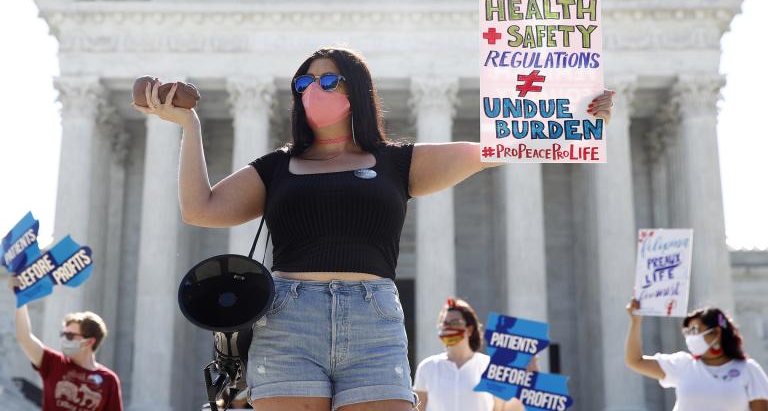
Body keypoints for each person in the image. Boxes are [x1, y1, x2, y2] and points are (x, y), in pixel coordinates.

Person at [131, 46, 614, 411]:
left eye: (328, 80)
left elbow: (495, 148)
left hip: (373, 321)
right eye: (303, 84)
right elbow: (201, 209)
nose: (313, 91)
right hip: (289, 319)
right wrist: (188, 125)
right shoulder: (277, 166)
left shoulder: (398, 162)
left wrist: (577, 118)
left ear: (356, 89)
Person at [625, 299, 768, 411]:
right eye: (688, 331)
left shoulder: (748, 370)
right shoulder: (682, 365)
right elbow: (635, 361)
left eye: (695, 330)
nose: (690, 337)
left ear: (716, 332)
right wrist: (635, 322)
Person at [9, 277, 123, 411]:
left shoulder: (109, 380)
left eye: (70, 336)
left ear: (89, 341)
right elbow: (24, 337)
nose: (64, 340)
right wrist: (21, 299)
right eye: (63, 334)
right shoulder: (53, 363)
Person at [414, 298, 535, 411]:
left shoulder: (491, 367)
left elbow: (504, 408)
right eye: (445, 324)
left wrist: (527, 381)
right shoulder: (427, 367)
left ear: (469, 329)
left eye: (455, 323)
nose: (448, 327)